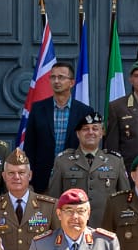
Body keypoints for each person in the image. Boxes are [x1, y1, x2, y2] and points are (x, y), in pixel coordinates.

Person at [20, 59, 94, 190]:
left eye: (61, 77)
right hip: (42, 178)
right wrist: (28, 180)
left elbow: (90, 146)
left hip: (75, 177)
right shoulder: (38, 109)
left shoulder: (85, 111)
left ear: (72, 82)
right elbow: (30, 146)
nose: (56, 81)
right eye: (53, 77)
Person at [48, 110, 129, 215]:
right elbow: (54, 200)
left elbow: (125, 198)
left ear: (101, 133)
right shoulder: (62, 161)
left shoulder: (116, 161)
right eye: (85, 129)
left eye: (95, 129)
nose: (90, 132)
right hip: (73, 225)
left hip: (106, 227)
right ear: (78, 134)